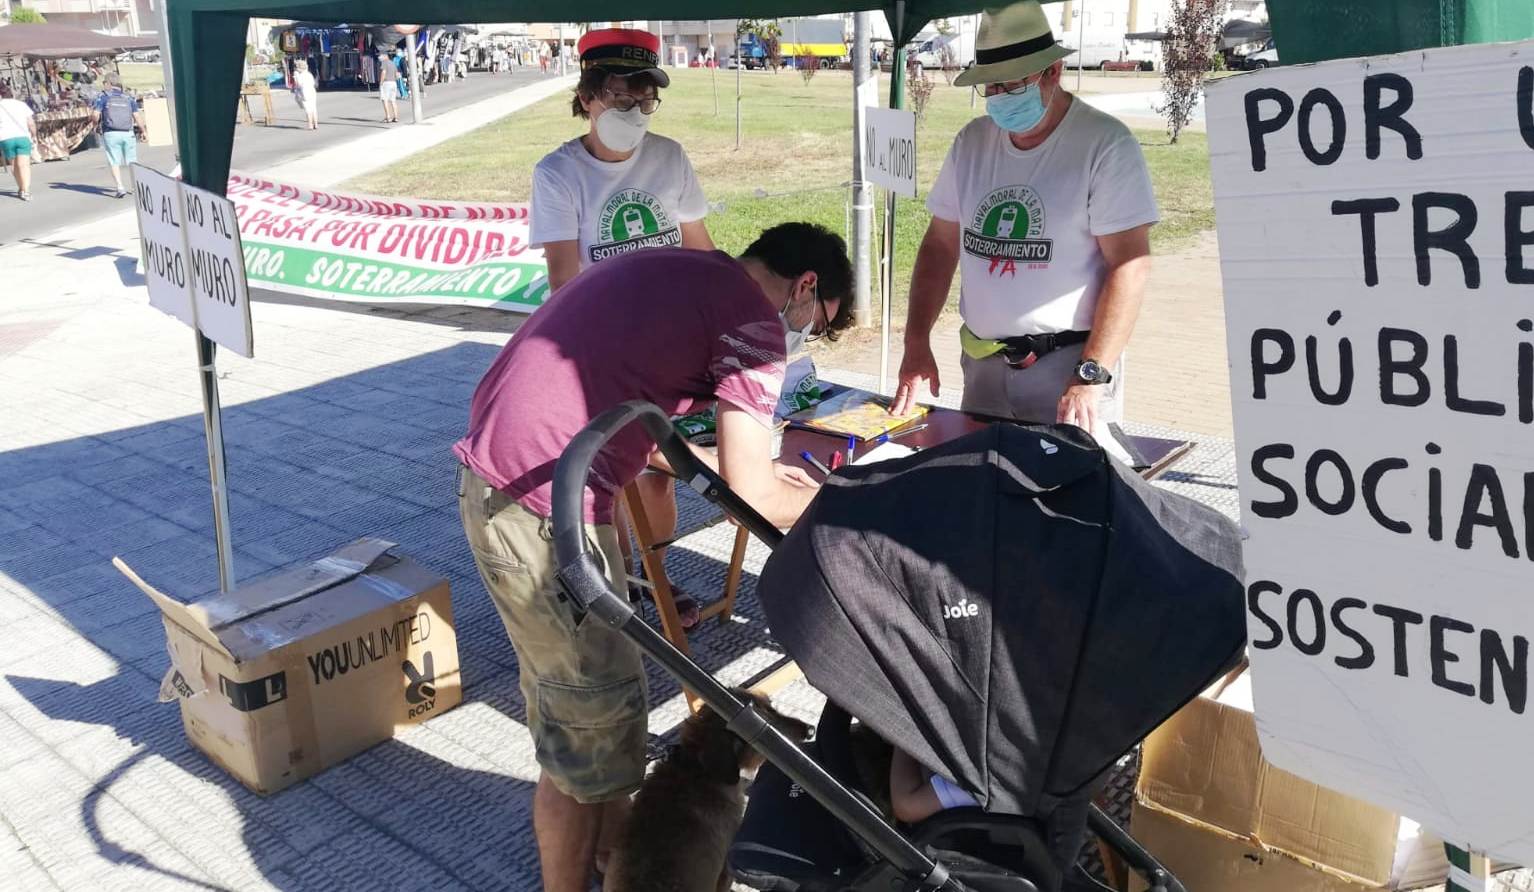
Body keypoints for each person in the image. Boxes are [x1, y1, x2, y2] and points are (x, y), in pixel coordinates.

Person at [454, 224, 854, 892]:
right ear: (806, 286)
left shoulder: (684, 270)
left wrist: (762, 481)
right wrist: (844, 502)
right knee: (588, 738)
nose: (807, 335)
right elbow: (748, 494)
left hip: (517, 481)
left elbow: (657, 429)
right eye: (820, 322)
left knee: (594, 716)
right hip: (542, 505)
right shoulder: (753, 321)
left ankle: (617, 858)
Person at [891, 0, 1157, 435]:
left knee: (1069, 493)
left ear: (1051, 72)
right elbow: (940, 246)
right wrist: (915, 340)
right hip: (983, 366)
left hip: (1069, 369)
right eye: (990, 88)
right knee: (982, 488)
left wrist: (1091, 375)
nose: (998, 100)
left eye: (1010, 87)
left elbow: (1130, 267)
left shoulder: (1104, 145)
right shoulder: (972, 143)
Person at [531, 27, 717, 625]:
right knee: (610, 478)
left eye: (644, 100)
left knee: (660, 478)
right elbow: (564, 280)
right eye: (618, 97)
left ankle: (655, 576)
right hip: (601, 353)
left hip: (669, 349)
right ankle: (624, 581)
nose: (633, 111)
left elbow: (701, 251)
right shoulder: (559, 173)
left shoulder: (670, 157)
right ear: (586, 97)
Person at [93, 74, 144, 199]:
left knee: (114, 160)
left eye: (104, 82)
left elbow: (95, 114)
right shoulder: (128, 97)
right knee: (132, 160)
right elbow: (137, 116)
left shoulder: (103, 97)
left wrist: (95, 125)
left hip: (110, 132)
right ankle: (135, 187)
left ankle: (120, 187)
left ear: (108, 83)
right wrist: (143, 130)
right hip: (128, 132)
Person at [0, 84, 37, 202]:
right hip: (22, 137)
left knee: (14, 165)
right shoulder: (21, 104)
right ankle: (25, 190)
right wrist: (34, 134)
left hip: (6, 138)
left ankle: (21, 188)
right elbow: (31, 123)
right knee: (24, 165)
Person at [292, 58, 319, 130]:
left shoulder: (299, 75)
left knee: (308, 109)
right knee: (313, 108)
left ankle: (310, 124)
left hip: (304, 92)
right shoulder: (309, 74)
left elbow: (298, 84)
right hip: (312, 91)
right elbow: (314, 83)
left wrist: (295, 77)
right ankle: (316, 124)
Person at [378, 51, 401, 123]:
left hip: (386, 82)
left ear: (385, 56)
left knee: (385, 99)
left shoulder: (384, 62)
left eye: (381, 55)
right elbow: (397, 74)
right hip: (393, 83)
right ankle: (396, 117)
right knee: (393, 100)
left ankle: (388, 117)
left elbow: (383, 72)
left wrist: (381, 82)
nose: (380, 57)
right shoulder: (392, 63)